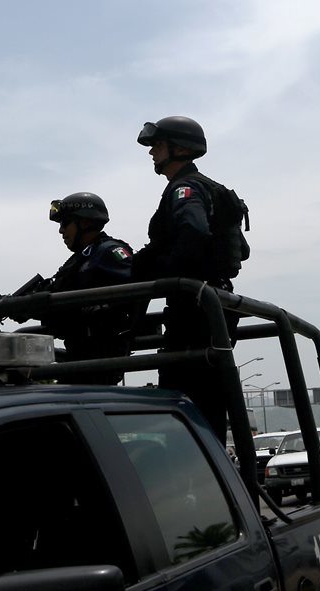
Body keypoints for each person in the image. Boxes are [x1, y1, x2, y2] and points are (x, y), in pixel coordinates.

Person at [130, 116, 249, 437]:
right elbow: (241, 250)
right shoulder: (211, 188)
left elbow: (194, 232)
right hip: (213, 306)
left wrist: (167, 274)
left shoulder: (184, 188)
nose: (152, 152)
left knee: (186, 408)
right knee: (207, 403)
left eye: (158, 145)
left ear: (179, 148)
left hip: (193, 311)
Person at [40, 192, 134, 384]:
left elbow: (134, 290)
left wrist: (102, 312)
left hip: (100, 356)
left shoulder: (109, 251)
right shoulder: (81, 258)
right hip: (79, 352)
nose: (61, 231)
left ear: (84, 223)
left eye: (65, 223)